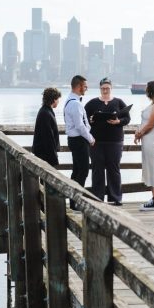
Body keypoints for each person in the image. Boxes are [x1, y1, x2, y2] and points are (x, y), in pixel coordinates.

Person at [85, 78, 131, 205]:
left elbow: (127, 118)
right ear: (100, 89)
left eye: (107, 88)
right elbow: (84, 119)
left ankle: (115, 198)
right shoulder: (92, 103)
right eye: (103, 88)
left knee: (114, 169)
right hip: (96, 142)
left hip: (115, 142)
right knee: (97, 170)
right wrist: (91, 120)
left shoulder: (119, 102)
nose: (105, 90)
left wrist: (118, 122)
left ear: (111, 88)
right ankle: (97, 198)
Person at [134, 80, 154, 210]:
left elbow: (151, 124)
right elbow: (145, 122)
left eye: (147, 88)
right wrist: (139, 132)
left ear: (152, 90)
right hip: (148, 139)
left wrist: (139, 134)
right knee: (151, 167)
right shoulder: (153, 104)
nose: (146, 91)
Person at [64, 75, 95, 208]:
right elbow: (80, 126)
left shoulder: (69, 101)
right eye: (85, 86)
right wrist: (91, 138)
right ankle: (76, 201)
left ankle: (73, 201)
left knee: (77, 171)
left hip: (74, 140)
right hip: (79, 140)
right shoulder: (75, 104)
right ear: (78, 86)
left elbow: (81, 123)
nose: (86, 88)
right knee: (83, 171)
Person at [32, 87, 62, 166]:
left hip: (45, 153)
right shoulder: (45, 113)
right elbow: (48, 137)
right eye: (58, 99)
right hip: (45, 155)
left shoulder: (46, 111)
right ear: (54, 99)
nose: (58, 102)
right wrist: (53, 157)